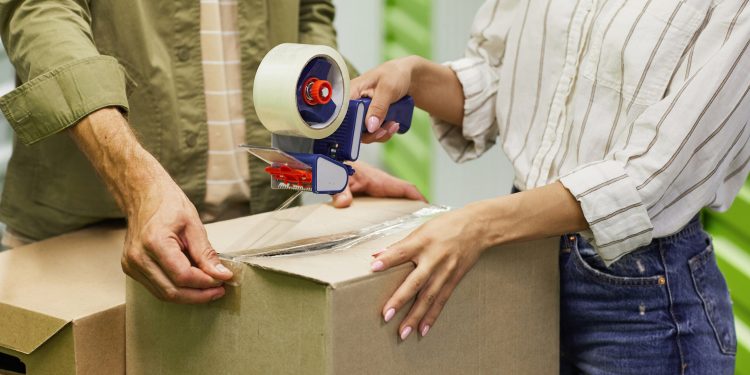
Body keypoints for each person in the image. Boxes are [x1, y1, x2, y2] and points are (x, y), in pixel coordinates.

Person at [356, 0, 747, 373]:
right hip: (524, 262)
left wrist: (477, 224)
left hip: (644, 302)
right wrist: (415, 78)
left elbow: (655, 176)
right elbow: (501, 82)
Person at [0, 0, 423, 304]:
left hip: (259, 237)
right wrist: (134, 179)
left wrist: (325, 143)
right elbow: (41, 11)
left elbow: (310, 13)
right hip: (82, 241)